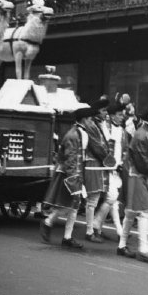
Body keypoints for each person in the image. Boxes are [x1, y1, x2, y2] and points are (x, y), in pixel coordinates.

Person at [41, 106, 97, 249]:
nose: (93, 123)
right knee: (66, 205)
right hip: (68, 174)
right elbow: (70, 159)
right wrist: (74, 180)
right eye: (91, 120)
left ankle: (67, 236)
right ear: (84, 120)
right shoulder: (73, 135)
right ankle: (48, 222)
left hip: (76, 173)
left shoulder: (82, 133)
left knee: (73, 206)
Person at [116, 101, 148, 263]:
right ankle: (144, 249)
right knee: (145, 212)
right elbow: (142, 162)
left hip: (137, 175)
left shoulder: (147, 132)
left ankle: (122, 245)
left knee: (131, 213)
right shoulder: (143, 134)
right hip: (137, 175)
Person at [92, 101, 127, 240]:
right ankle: (95, 224)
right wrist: (113, 165)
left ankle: (116, 230)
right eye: (119, 114)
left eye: (122, 115)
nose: (122, 117)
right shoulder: (104, 128)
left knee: (113, 200)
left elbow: (123, 150)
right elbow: (102, 150)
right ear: (112, 116)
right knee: (111, 198)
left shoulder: (122, 131)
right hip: (104, 169)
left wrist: (122, 163)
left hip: (116, 170)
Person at [82, 97, 111, 243]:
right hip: (93, 163)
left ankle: (95, 228)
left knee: (100, 198)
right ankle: (89, 231)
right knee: (92, 199)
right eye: (103, 110)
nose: (106, 113)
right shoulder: (92, 126)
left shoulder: (98, 125)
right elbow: (98, 147)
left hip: (98, 164)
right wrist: (109, 160)